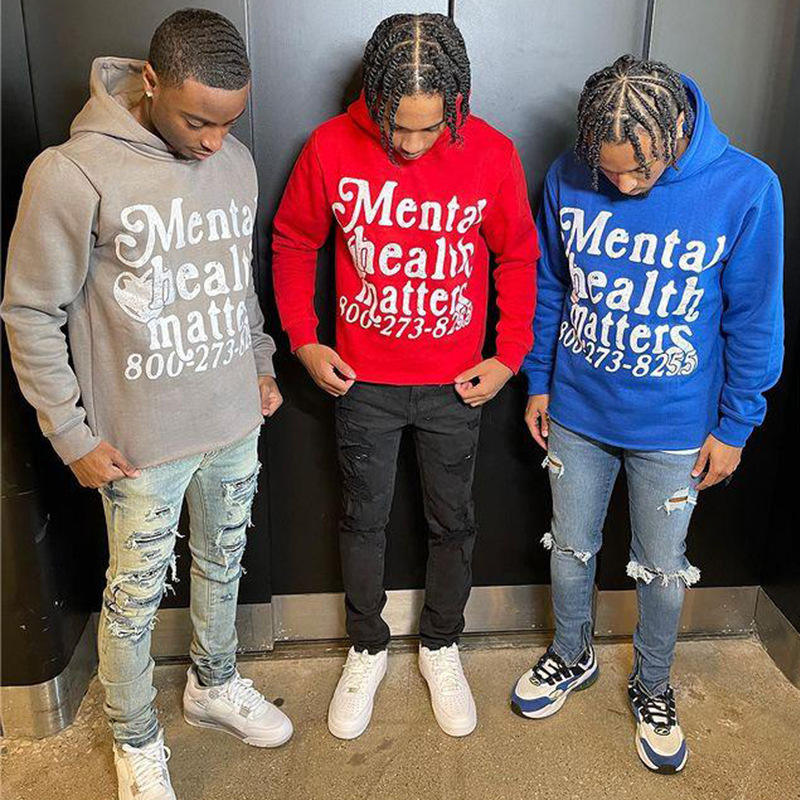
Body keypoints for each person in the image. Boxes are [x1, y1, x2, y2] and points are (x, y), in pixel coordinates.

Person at [1, 9, 292, 799]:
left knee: (223, 561)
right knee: (133, 599)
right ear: (152, 82)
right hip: (139, 444)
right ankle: (134, 736)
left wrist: (258, 363)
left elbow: (235, 279)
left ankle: (213, 684)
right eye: (198, 121)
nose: (214, 142)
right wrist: (70, 434)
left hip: (231, 421)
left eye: (229, 123)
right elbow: (29, 312)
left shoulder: (235, 162)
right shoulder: (71, 174)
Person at [511, 54, 784, 774]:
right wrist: (539, 379)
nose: (624, 186)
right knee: (571, 550)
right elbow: (550, 284)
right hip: (577, 411)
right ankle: (571, 654)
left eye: (639, 171)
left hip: (676, 427)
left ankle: (654, 685)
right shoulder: (569, 175)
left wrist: (736, 425)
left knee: (662, 570)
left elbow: (755, 318)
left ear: (677, 134)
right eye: (609, 174)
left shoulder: (747, 187)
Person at [272, 13, 538, 740]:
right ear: (375, 97)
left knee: (454, 521)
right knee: (364, 518)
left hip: (457, 384)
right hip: (362, 384)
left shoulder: (492, 153)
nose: (413, 145)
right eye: (398, 128)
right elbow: (294, 240)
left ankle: (441, 644)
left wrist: (508, 354)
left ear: (457, 102)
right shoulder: (330, 146)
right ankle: (366, 646)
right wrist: (304, 340)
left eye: (431, 129)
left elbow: (517, 254)